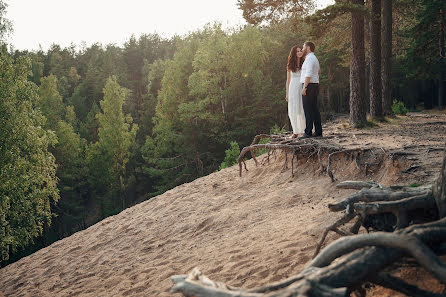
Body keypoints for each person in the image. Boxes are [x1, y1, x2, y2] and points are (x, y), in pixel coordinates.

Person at [300, 41, 322, 138]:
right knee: (314, 109)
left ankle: (308, 132)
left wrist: (305, 87)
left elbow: (308, 74)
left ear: (308, 47)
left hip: (309, 86)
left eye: (303, 47)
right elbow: (318, 72)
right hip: (314, 85)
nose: (302, 48)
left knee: (308, 109)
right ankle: (318, 131)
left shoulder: (309, 59)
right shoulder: (314, 58)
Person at [285, 45, 306, 138]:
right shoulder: (290, 65)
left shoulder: (304, 63)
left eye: (300, 50)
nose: (300, 52)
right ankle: (295, 131)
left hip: (302, 87)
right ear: (294, 53)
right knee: (293, 110)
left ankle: (305, 130)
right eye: (297, 51)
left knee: (302, 109)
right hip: (293, 88)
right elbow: (288, 80)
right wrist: (287, 93)